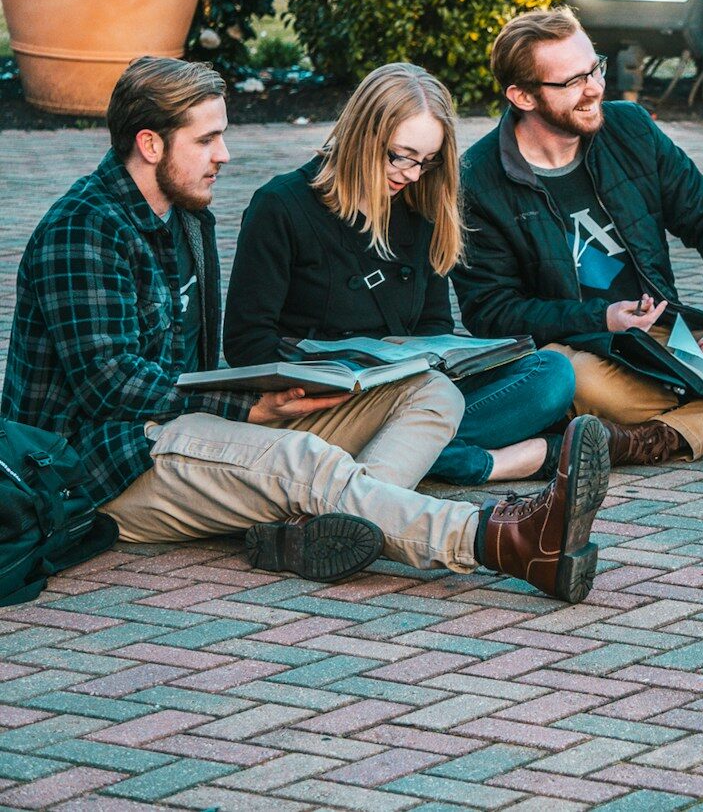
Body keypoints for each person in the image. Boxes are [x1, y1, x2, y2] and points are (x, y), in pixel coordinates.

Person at [0, 57, 608, 602]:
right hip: (101, 464)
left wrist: (261, 400)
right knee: (305, 462)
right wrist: (250, 410)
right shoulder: (84, 231)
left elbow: (200, 362)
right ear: (151, 144)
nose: (224, 155)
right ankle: (503, 541)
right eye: (208, 139)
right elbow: (110, 386)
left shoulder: (186, 219)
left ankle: (316, 532)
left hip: (182, 426)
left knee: (432, 392)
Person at [452, 7, 703, 466]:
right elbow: (491, 311)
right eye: (572, 82)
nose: (595, 88)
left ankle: (656, 438)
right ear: (522, 96)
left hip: (666, 335)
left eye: (594, 68)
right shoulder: (478, 180)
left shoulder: (630, 128)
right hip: (587, 347)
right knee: (571, 380)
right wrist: (602, 319)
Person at [224, 63, 576, 486]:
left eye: (426, 162)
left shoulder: (419, 207)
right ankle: (489, 462)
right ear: (362, 135)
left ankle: (410, 454)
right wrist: (340, 365)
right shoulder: (280, 206)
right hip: (333, 402)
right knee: (440, 416)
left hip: (416, 393)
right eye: (401, 156)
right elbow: (246, 345)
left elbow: (434, 327)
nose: (411, 174)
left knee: (551, 373)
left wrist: (442, 358)